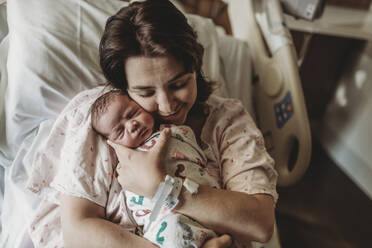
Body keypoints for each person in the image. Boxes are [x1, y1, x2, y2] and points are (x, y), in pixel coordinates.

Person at [28, 0, 278, 247]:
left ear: (196, 66)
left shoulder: (227, 122)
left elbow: (260, 223)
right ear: (123, 86)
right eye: (146, 93)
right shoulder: (101, 120)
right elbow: (78, 230)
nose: (168, 106)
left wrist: (165, 190)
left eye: (179, 84)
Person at [90, 89, 219, 247]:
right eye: (120, 131)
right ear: (112, 143)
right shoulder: (125, 165)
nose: (132, 125)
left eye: (133, 113)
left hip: (201, 199)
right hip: (164, 218)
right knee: (173, 234)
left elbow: (200, 157)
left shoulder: (172, 130)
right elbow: (126, 202)